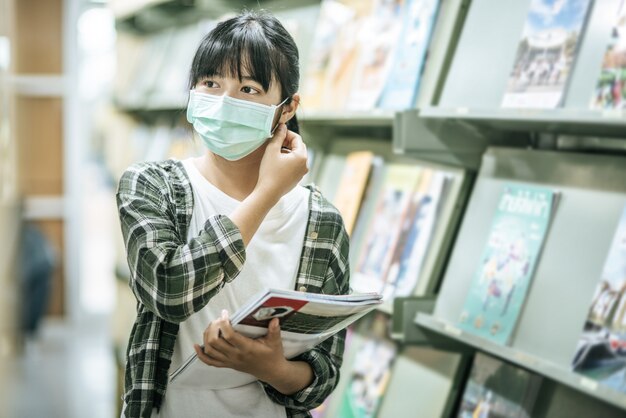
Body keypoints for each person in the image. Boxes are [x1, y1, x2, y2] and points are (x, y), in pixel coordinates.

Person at [116, 10, 350, 418]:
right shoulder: (151, 186)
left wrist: (273, 369)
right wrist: (267, 193)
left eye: (248, 88)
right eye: (210, 83)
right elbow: (169, 291)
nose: (224, 102)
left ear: (287, 107)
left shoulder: (322, 222)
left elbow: (324, 375)